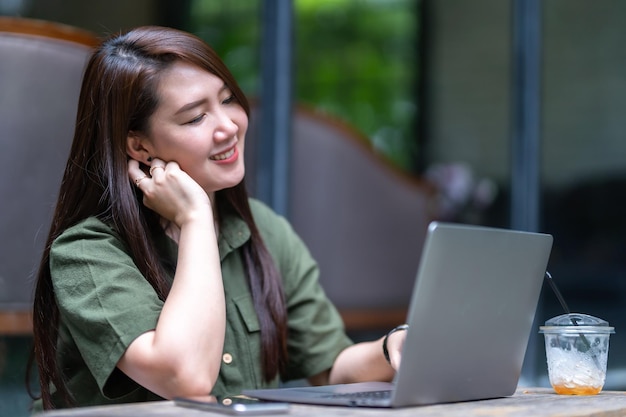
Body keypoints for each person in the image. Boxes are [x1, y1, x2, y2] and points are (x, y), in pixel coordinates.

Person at [28, 25, 407, 411]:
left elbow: (332, 369)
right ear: (139, 146)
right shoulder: (86, 252)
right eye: (195, 118)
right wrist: (195, 219)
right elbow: (185, 378)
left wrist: (395, 346)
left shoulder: (264, 229)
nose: (228, 127)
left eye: (227, 100)